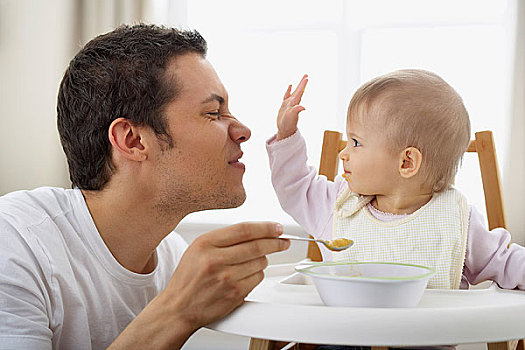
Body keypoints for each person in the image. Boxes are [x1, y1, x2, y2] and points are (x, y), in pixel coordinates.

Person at [0, 24, 290, 349]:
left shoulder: (172, 256)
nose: (242, 130)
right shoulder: (14, 243)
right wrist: (176, 311)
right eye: (213, 112)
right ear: (133, 140)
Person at [267, 70, 525, 291]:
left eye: (356, 142)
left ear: (407, 162)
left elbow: (507, 262)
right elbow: (295, 187)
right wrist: (286, 135)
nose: (342, 153)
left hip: (425, 342)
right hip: (348, 337)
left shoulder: (456, 220)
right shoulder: (337, 204)